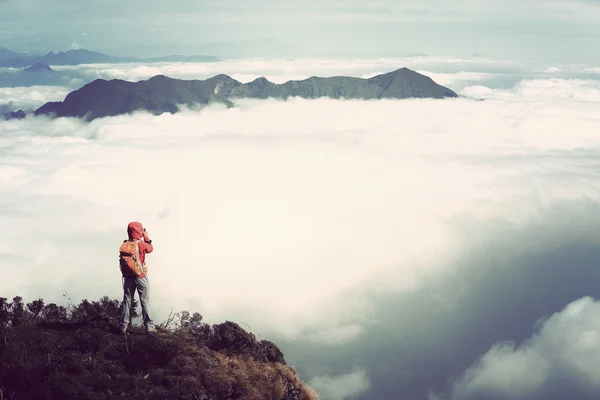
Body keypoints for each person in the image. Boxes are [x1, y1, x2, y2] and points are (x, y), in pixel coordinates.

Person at [118, 221, 157, 334]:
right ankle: (149, 327)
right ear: (139, 231)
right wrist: (146, 237)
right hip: (140, 276)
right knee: (145, 300)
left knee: (127, 300)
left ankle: (123, 327)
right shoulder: (141, 244)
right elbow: (150, 249)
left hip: (128, 276)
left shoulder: (125, 244)